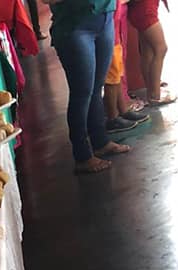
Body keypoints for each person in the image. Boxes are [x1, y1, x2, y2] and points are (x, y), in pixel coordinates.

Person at [48, 0, 132, 174]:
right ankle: (82, 155)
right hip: (75, 26)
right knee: (82, 92)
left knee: (96, 87)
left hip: (105, 18)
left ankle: (100, 141)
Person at [104, 0, 150, 131]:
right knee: (111, 78)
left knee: (117, 73)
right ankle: (112, 117)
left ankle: (123, 110)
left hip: (116, 28)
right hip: (108, 29)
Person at [127, 0, 176, 104]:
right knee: (161, 49)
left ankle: (151, 91)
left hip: (141, 10)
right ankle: (155, 95)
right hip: (145, 10)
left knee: (147, 51)